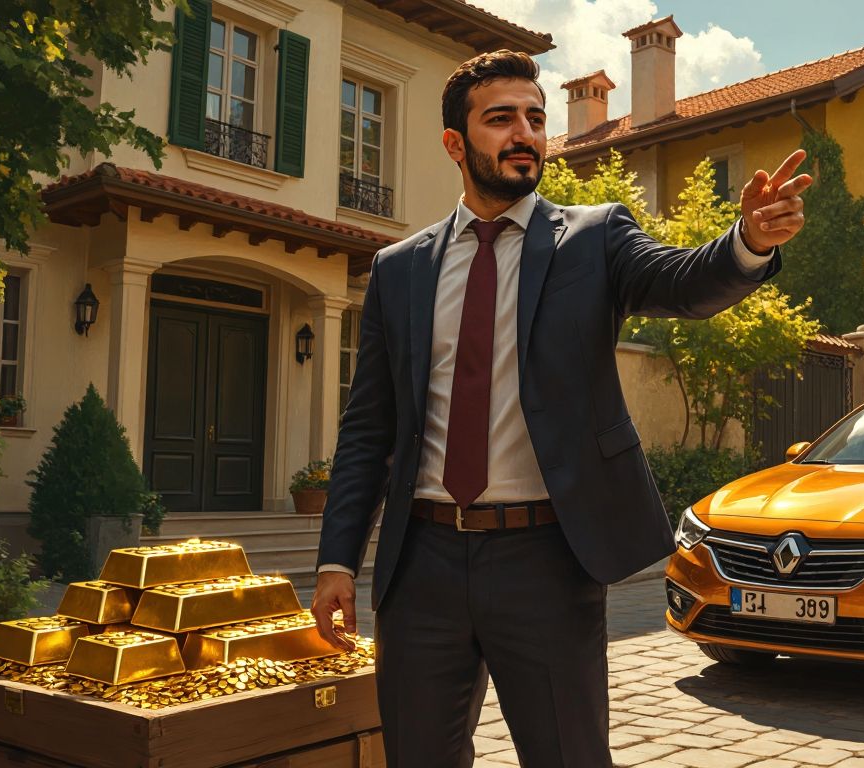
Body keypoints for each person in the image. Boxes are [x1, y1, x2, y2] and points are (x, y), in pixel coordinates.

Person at [308, 49, 812, 767]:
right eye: (501, 118)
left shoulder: (594, 238)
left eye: (536, 119)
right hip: (420, 565)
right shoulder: (400, 270)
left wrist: (749, 242)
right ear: (456, 143)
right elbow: (368, 429)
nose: (526, 134)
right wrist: (335, 560)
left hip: (544, 557)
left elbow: (680, 282)